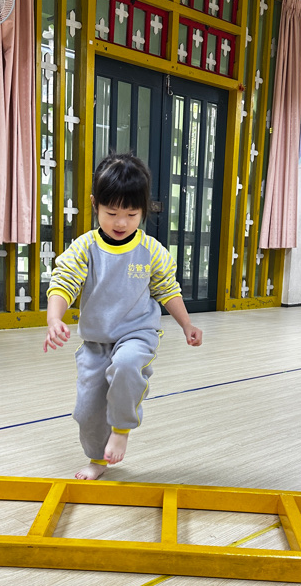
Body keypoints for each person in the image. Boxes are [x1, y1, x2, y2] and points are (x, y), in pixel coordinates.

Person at [43, 153, 203, 479]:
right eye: (112, 213)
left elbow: (167, 289)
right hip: (96, 341)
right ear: (95, 204)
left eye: (131, 215)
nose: (121, 223)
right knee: (87, 411)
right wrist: (54, 318)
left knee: (127, 364)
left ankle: (121, 429)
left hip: (137, 333)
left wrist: (186, 323)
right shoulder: (85, 248)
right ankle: (97, 459)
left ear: (143, 210)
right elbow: (64, 282)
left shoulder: (152, 251)